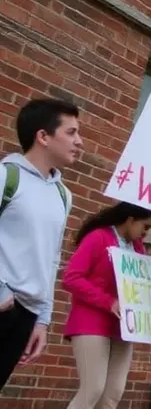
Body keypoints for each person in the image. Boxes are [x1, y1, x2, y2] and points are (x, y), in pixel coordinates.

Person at [0, 97, 81, 388]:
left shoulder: (63, 195)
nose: (79, 141)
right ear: (43, 136)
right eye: (71, 133)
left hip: (27, 315)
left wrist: (42, 319)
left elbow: (52, 258)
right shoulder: (6, 177)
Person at [61, 201, 151, 409]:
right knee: (92, 389)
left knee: (113, 393)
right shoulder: (99, 237)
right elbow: (71, 278)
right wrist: (108, 301)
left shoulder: (137, 247)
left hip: (122, 326)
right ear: (131, 219)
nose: (146, 233)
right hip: (91, 321)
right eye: (146, 226)